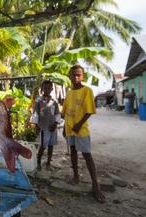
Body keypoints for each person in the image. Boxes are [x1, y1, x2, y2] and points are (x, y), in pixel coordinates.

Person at [62, 65, 105, 203]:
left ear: (83, 76)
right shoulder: (68, 93)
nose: (76, 77)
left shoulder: (87, 90)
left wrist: (78, 125)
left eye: (78, 75)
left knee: (87, 155)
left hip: (81, 129)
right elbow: (65, 113)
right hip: (70, 129)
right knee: (73, 152)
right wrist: (65, 128)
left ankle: (95, 185)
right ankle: (76, 176)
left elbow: (89, 111)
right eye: (73, 74)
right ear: (69, 76)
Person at [34, 80, 61, 170]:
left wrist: (56, 124)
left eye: (49, 88)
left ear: (52, 89)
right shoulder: (38, 100)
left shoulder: (54, 101)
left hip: (52, 127)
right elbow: (35, 114)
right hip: (43, 127)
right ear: (42, 89)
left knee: (51, 145)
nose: (47, 90)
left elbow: (57, 114)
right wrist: (36, 125)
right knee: (42, 146)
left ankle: (48, 163)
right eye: (45, 88)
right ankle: (38, 162)